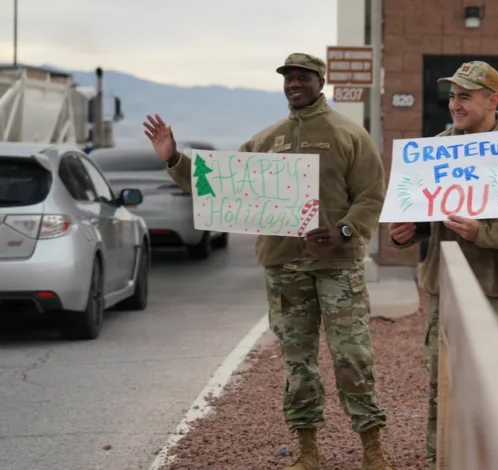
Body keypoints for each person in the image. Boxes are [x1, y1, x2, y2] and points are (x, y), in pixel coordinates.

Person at [143, 53, 395, 470]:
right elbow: (219, 185)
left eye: (302, 78)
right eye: (288, 78)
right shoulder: (266, 140)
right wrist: (174, 158)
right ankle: (307, 451)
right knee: (298, 363)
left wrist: (345, 231)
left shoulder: (350, 135)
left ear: (320, 81)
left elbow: (371, 195)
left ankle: (373, 450)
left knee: (352, 355)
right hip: (284, 268)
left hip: (337, 265)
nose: (294, 84)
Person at [388, 61, 498, 467]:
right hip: (444, 289)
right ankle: (443, 460)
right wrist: (409, 230)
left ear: (493, 100)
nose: (455, 104)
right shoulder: (436, 148)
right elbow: (423, 211)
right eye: (452, 96)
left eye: (465, 96)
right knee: (444, 384)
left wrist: (484, 232)